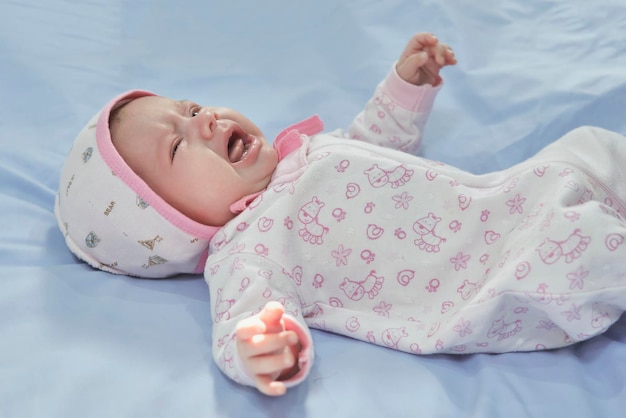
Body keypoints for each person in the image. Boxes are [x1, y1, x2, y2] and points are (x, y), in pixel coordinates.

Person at [55, 32, 626, 397]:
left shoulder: (300, 157)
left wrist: (404, 87)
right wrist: (263, 349)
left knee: (592, 148)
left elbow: (374, 142)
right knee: (595, 257)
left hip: (515, 199)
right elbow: (244, 320)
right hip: (496, 279)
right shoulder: (247, 249)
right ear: (169, 224)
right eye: (177, 147)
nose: (203, 122)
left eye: (192, 108)